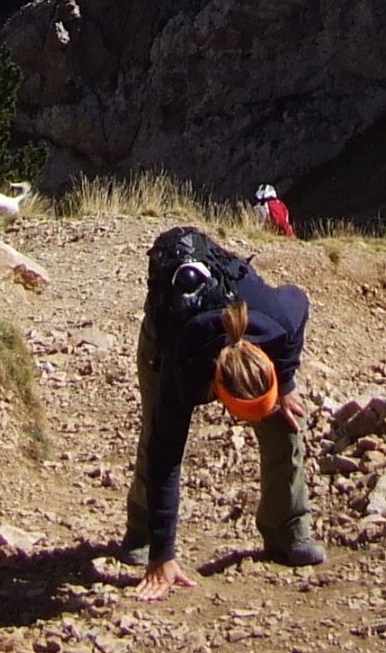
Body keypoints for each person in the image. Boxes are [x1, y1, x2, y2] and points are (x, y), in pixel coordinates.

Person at [123, 226, 322, 597]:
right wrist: (162, 557)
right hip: (166, 329)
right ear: (216, 389)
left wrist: (287, 382)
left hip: (236, 304)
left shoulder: (278, 323)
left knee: (285, 421)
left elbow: (301, 301)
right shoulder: (181, 371)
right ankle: (144, 535)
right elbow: (166, 458)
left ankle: (288, 531)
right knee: (157, 435)